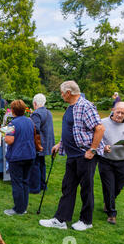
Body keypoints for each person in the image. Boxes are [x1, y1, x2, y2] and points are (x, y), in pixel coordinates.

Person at [39, 80, 105, 231]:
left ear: (68, 93)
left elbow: (100, 128)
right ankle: (60, 220)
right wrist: (60, 144)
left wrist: (92, 150)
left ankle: (86, 221)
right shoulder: (71, 107)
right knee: (68, 187)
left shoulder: (85, 106)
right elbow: (73, 130)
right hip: (72, 155)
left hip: (84, 155)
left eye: (62, 93)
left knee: (86, 188)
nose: (61, 96)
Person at [98, 101, 124, 225]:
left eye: (123, 113)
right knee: (109, 187)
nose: (120, 115)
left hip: (123, 160)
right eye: (118, 112)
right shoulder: (102, 122)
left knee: (122, 183)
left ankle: (108, 201)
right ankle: (111, 214)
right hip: (106, 161)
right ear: (113, 110)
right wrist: (103, 147)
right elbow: (96, 139)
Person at [3, 100, 36, 216]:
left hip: (17, 156)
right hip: (30, 154)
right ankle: (23, 207)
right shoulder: (30, 121)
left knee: (17, 183)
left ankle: (18, 209)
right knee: (25, 182)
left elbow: (9, 140)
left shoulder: (12, 124)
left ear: (13, 111)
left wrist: (5, 136)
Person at [27, 93, 55, 193]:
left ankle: (35, 188)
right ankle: (43, 185)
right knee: (41, 164)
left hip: (39, 143)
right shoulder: (48, 112)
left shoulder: (36, 113)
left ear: (34, 103)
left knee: (35, 165)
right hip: (47, 142)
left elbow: (35, 129)